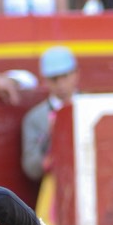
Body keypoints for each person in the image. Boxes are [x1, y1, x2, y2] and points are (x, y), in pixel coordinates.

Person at [21, 45, 79, 183]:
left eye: (65, 76)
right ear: (46, 80)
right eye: (54, 79)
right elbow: (31, 168)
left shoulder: (91, 108)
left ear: (76, 74)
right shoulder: (35, 118)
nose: (61, 84)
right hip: (55, 185)